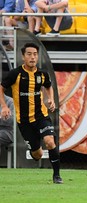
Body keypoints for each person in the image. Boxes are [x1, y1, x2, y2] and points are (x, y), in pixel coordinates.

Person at [0, 42, 63, 184]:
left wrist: (51, 99)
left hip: (41, 116)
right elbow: (1, 89)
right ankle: (35, 150)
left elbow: (48, 86)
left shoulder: (42, 74)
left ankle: (57, 176)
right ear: (23, 56)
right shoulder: (15, 74)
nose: (32, 57)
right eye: (29, 54)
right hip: (24, 121)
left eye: (35, 54)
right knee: (38, 154)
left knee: (50, 142)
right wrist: (4, 106)